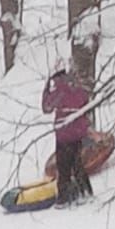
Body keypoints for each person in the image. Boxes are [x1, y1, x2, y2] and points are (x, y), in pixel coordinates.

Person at [42, 62, 92, 207]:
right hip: (78, 132)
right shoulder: (76, 87)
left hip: (64, 134)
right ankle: (85, 192)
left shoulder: (58, 90)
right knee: (77, 164)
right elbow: (85, 100)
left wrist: (46, 90)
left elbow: (47, 107)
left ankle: (64, 198)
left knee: (63, 166)